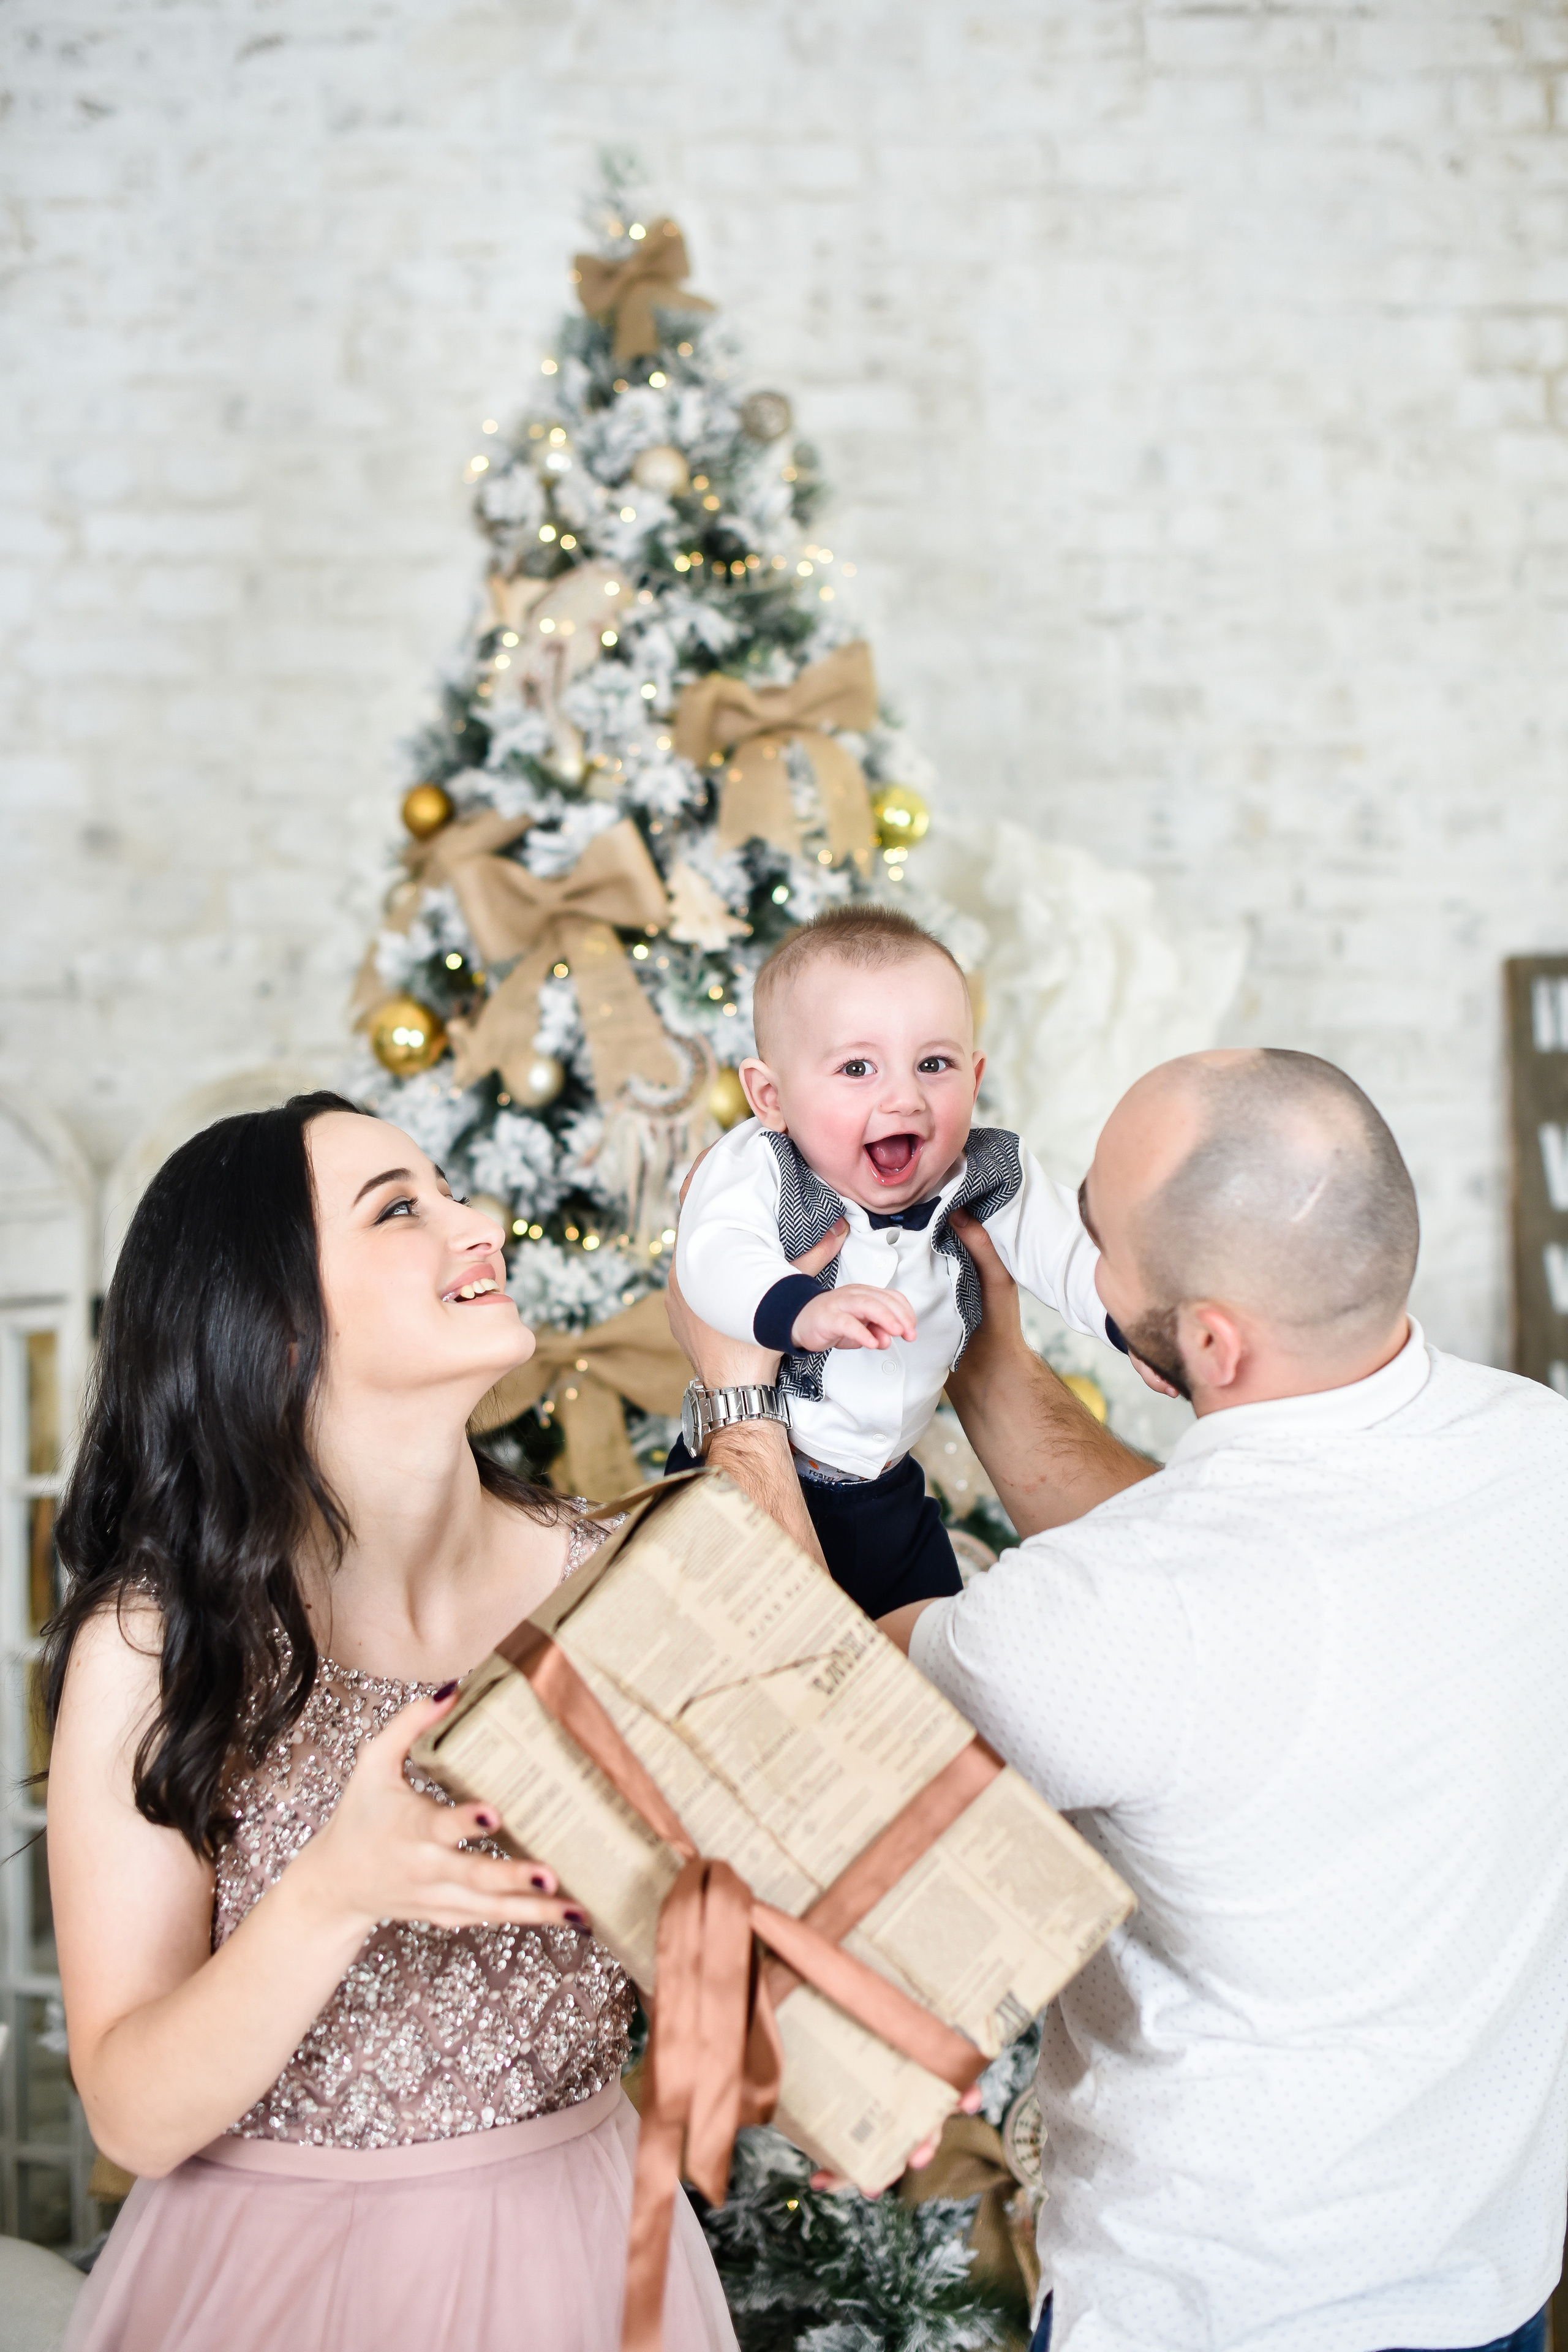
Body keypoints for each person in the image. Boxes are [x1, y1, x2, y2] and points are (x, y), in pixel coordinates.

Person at [666, 1048, 1568, 2352]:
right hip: (1485, 2290)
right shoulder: (1530, 1449)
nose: (1059, 1229)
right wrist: (980, 1364)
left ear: (1205, 1340)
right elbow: (1216, 1555)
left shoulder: (1108, 1620)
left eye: (1090, 1231)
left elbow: (821, 1710)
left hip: (1205, 2315)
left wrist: (738, 1392)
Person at [45, 1093, 736, 2352]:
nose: (481, 1226)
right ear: (277, 1321)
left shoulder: (613, 1583)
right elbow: (133, 2117)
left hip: (585, 2260)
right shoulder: (162, 1644)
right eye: (400, 1208)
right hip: (274, 2281)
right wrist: (333, 1891)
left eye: (450, 1191)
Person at [671, 904, 1115, 1615]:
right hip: (759, 1468)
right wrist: (800, 1308)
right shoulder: (760, 1165)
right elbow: (712, 1255)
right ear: (770, 1096)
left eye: (933, 1065)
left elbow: (1064, 1248)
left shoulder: (989, 1171)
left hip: (889, 1494)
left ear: (974, 1077)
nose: (904, 1097)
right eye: (856, 1068)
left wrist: (1129, 1320)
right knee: (751, 1658)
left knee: (929, 1687)